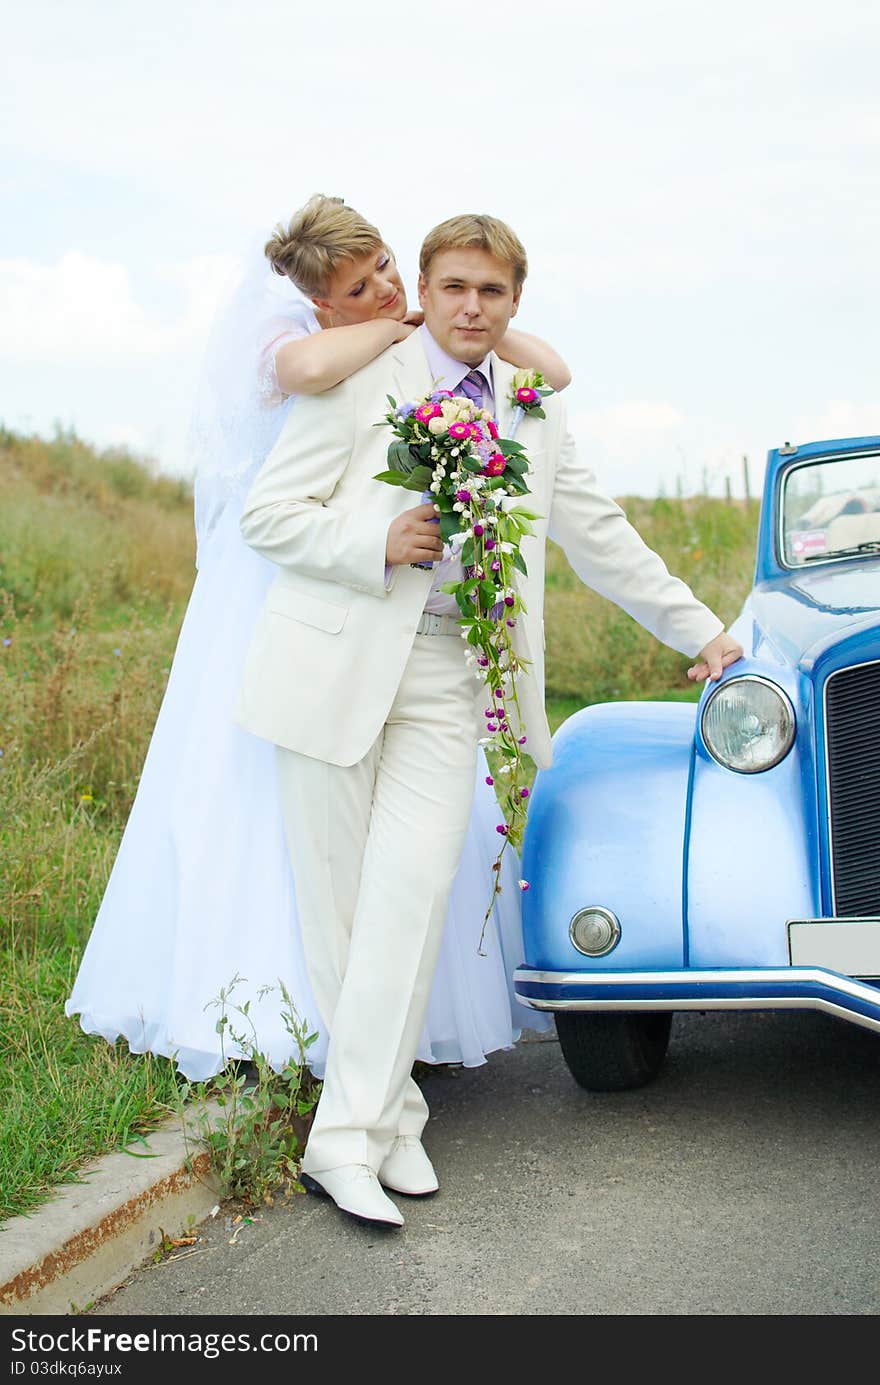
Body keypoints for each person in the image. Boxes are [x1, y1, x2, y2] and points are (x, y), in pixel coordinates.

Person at [236, 211, 744, 1229]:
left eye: (493, 293)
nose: (473, 308)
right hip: (330, 668)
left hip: (449, 675)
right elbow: (269, 515)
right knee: (341, 919)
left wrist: (700, 628)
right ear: (425, 288)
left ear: (515, 302)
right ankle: (390, 1115)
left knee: (410, 897)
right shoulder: (358, 380)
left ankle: (339, 1142)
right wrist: (373, 538)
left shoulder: (533, 409)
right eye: (455, 287)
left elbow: (600, 537)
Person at [65, 195, 567, 1082]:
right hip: (279, 585)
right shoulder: (301, 341)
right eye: (359, 284)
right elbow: (303, 370)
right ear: (318, 299)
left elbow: (551, 372)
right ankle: (277, 1009)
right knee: (253, 794)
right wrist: (400, 328)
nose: (381, 290)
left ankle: (395, 1032)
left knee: (400, 827)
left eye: (384, 270)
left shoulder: (403, 333)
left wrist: (450, 325)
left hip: (374, 596)